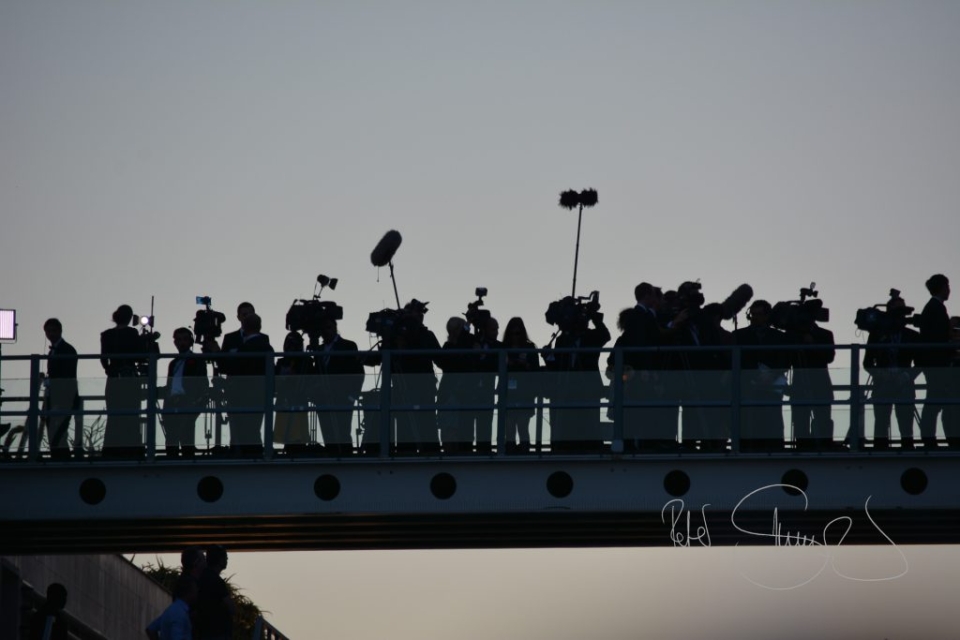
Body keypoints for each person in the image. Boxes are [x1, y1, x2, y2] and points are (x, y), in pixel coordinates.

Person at [542, 296, 611, 453]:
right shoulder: (562, 340)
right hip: (566, 390)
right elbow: (558, 367)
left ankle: (593, 447)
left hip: (588, 388)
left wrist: (593, 314)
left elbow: (605, 335)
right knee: (565, 426)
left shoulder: (591, 336)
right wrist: (548, 358)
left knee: (590, 424)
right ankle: (562, 447)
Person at [864, 293, 921, 450]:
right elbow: (867, 363)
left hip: (905, 385)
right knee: (881, 423)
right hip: (882, 385)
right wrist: (881, 374)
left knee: (906, 425)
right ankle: (879, 451)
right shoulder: (876, 335)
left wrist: (907, 376)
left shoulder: (913, 336)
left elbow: (921, 362)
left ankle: (908, 450)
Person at [734, 300, 790, 452]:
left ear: (767, 316)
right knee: (748, 419)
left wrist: (772, 375)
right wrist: (755, 375)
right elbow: (736, 359)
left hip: (772, 385)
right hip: (748, 384)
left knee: (772, 418)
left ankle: (775, 449)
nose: (755, 318)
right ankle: (748, 449)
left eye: (759, 314)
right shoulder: (739, 335)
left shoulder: (779, 336)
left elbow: (785, 359)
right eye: (753, 314)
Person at [785, 301, 836, 451]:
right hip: (800, 384)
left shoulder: (825, 334)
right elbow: (787, 359)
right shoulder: (792, 336)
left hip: (821, 383)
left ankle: (826, 446)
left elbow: (829, 357)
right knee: (800, 420)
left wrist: (812, 344)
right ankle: (802, 447)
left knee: (824, 418)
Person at [313, 318, 364, 456]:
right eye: (323, 328)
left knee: (343, 431)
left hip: (343, 398)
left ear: (335, 327)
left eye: (328, 327)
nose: (326, 331)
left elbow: (358, 372)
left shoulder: (348, 346)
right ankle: (330, 455)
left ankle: (346, 457)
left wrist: (352, 396)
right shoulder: (318, 349)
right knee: (327, 431)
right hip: (323, 398)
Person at [100, 304, 144, 457]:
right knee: (131, 414)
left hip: (113, 379)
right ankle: (132, 447)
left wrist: (109, 369)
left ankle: (111, 448)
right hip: (129, 377)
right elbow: (140, 355)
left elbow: (103, 358)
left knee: (114, 415)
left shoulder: (106, 335)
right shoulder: (132, 333)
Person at [918, 274, 955, 449]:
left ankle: (930, 437)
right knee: (935, 401)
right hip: (936, 363)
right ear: (941, 287)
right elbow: (936, 338)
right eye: (947, 286)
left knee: (935, 400)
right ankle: (929, 438)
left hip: (934, 362)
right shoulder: (936, 308)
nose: (949, 290)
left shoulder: (933, 307)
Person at [228, 313, 274, 456]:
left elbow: (232, 369)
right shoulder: (267, 348)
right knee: (254, 429)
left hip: (242, 396)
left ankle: (249, 455)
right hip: (261, 395)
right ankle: (256, 454)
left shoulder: (245, 349)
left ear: (243, 327)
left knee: (244, 430)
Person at [162, 328, 209, 459]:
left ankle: (187, 460)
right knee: (171, 438)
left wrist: (196, 402)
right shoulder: (173, 363)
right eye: (178, 339)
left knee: (186, 436)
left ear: (190, 342)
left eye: (184, 339)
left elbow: (202, 383)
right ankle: (171, 461)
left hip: (187, 403)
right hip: (171, 403)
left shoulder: (197, 360)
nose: (181, 342)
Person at [435, 317, 474, 454]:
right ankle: (450, 452)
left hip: (456, 393)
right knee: (449, 428)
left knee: (458, 428)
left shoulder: (459, 346)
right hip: (450, 393)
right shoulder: (450, 348)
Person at [502, 316, 540, 453]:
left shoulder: (529, 348)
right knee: (510, 427)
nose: (515, 336)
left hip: (525, 392)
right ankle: (509, 451)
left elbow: (536, 369)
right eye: (512, 333)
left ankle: (524, 451)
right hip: (509, 392)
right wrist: (508, 363)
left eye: (517, 333)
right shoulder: (503, 348)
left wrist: (526, 364)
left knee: (523, 426)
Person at [42, 318, 78, 459]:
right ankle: (58, 456)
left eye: (53, 330)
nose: (50, 334)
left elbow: (68, 377)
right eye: (48, 331)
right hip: (53, 397)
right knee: (54, 431)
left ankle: (61, 458)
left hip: (63, 398)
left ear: (60, 331)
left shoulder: (67, 350)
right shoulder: (55, 351)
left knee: (59, 431)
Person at [467, 316, 501, 454]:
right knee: (468, 421)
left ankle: (484, 448)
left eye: (497, 329)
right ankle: (467, 449)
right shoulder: (472, 342)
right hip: (470, 388)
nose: (496, 332)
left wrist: (483, 354)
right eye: (493, 329)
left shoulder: (498, 346)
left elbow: (497, 364)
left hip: (487, 388)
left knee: (486, 421)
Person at [274, 331, 312, 452]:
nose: (291, 348)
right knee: (285, 433)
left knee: (298, 435)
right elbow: (274, 380)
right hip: (283, 400)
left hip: (298, 399)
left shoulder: (306, 361)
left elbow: (308, 380)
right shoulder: (281, 362)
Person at [195, 546, 234, 640]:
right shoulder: (217, 581)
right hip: (218, 632)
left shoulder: (200, 578)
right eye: (226, 557)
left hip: (203, 631)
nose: (227, 560)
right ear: (220, 560)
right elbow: (230, 606)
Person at [145, 575, 198, 640]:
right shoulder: (179, 613)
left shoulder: (172, 610)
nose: (197, 592)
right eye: (195, 589)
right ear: (189, 591)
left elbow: (151, 629)